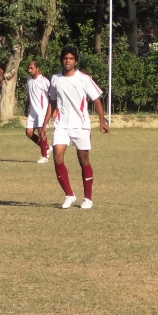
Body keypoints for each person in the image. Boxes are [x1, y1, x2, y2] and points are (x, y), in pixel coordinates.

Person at [42, 46, 109, 209]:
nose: (68, 61)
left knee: (83, 160)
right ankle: (69, 195)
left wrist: (102, 121)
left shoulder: (84, 78)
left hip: (81, 125)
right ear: (61, 60)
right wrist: (45, 124)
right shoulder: (55, 79)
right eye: (65, 58)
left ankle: (88, 198)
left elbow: (97, 100)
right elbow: (52, 102)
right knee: (57, 156)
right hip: (61, 125)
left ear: (76, 62)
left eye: (71, 58)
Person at [24, 60, 53, 163]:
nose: (29, 70)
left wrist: (53, 110)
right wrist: (26, 107)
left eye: (31, 68)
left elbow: (52, 96)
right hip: (32, 111)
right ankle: (47, 148)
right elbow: (29, 95)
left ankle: (44, 157)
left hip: (42, 111)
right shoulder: (29, 80)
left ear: (37, 69)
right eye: (29, 68)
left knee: (41, 132)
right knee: (29, 133)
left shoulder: (44, 81)